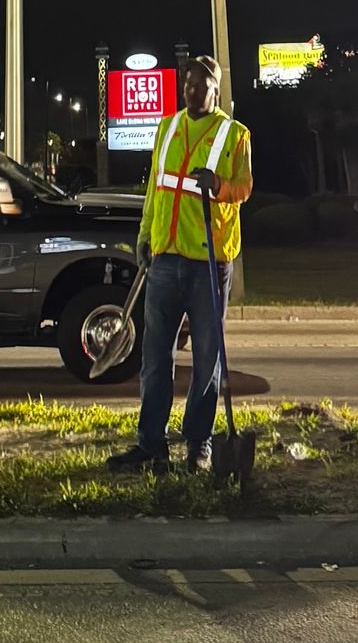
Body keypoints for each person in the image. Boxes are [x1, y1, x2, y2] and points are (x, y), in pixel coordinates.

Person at [108, 55, 252, 473]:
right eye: (187, 83)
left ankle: (199, 445)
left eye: (200, 84)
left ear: (215, 90)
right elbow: (156, 188)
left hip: (209, 262)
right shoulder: (167, 129)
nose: (191, 89)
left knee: (208, 358)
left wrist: (221, 186)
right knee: (155, 356)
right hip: (166, 259)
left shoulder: (234, 134)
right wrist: (144, 236)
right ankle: (151, 443)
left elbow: (244, 187)